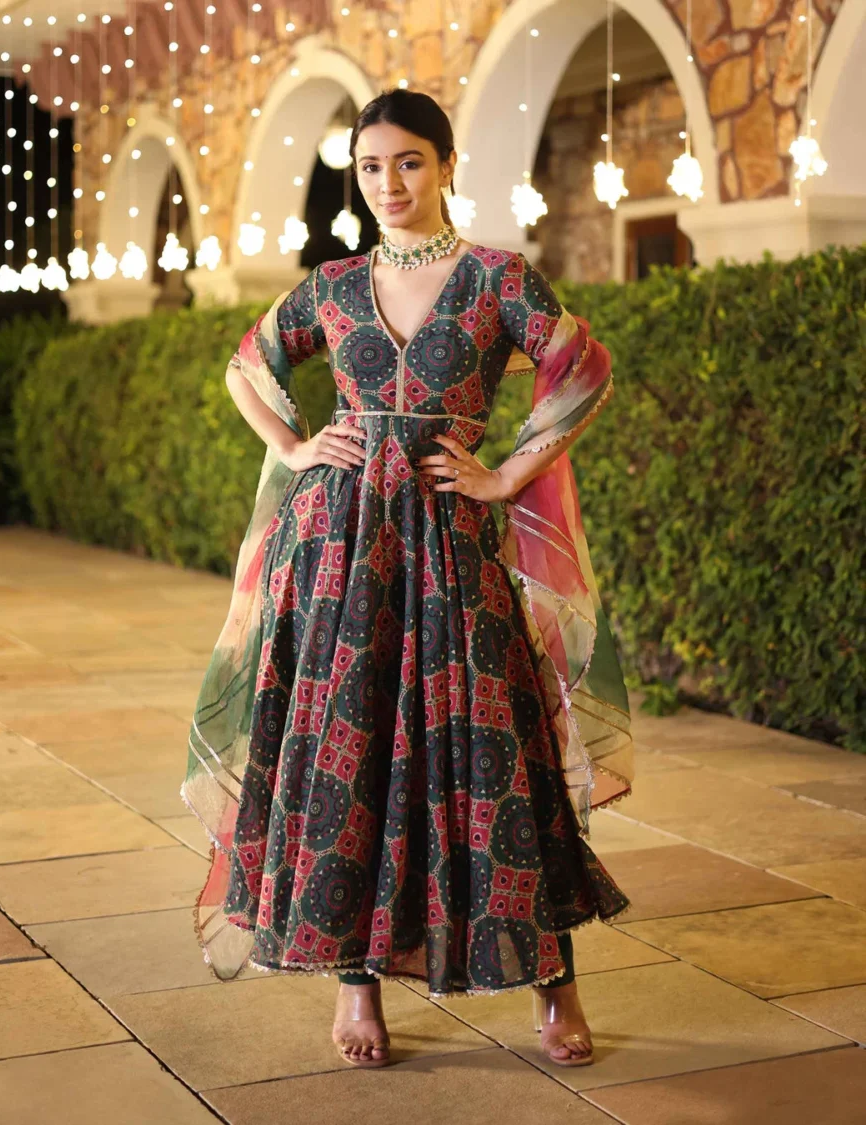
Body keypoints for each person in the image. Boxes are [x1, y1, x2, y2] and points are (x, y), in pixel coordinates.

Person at [180, 88, 635, 1071]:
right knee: (351, 744)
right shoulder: (335, 285)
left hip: (452, 541)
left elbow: (585, 368)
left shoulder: (496, 278)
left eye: (410, 162)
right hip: (340, 549)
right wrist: (296, 448)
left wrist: (507, 474)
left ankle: (553, 981)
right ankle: (357, 983)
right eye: (371, 166)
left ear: (446, 163)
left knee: (494, 749)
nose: (389, 183)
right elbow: (247, 366)